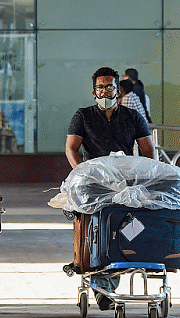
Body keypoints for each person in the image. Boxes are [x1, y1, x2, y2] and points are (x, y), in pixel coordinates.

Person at [66, 66, 155, 310]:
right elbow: (71, 148)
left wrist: (145, 177)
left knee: (124, 228)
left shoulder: (132, 117)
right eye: (100, 87)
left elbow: (147, 150)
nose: (105, 91)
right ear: (93, 91)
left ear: (118, 91)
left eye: (110, 87)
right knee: (96, 230)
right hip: (94, 185)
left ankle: (108, 281)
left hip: (126, 184)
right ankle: (100, 282)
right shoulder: (83, 116)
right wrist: (82, 172)